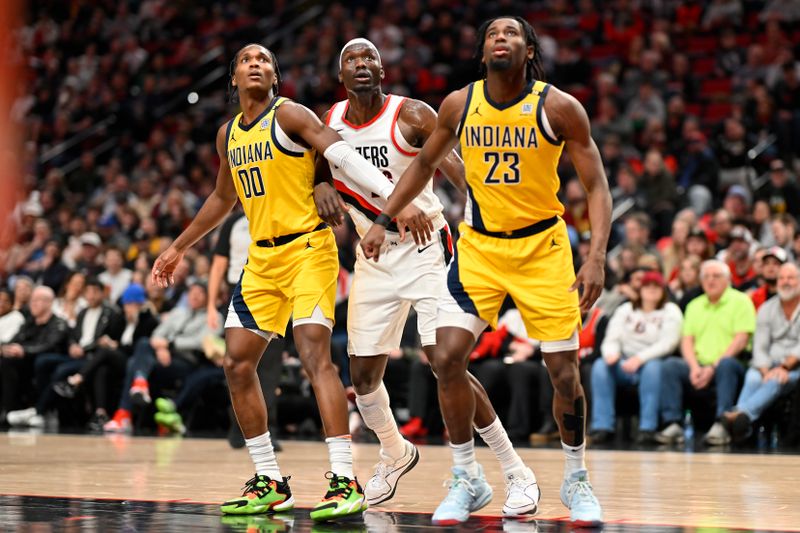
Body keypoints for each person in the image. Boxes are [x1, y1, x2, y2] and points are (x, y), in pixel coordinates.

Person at [150, 43, 426, 521]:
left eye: (264, 61)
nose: (255, 65)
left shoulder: (292, 115)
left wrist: (392, 199)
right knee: (237, 364)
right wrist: (178, 246)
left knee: (315, 354)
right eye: (246, 61)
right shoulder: (228, 136)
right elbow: (221, 199)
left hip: (308, 250)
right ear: (234, 78)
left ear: (275, 77)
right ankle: (269, 480)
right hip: (261, 260)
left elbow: (340, 154)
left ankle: (345, 479)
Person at [360, 17, 611, 526]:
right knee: (446, 358)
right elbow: (423, 165)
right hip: (480, 250)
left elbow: (598, 187)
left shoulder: (558, 106)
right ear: (482, 52)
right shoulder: (458, 104)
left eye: (512, 33)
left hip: (543, 249)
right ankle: (466, 477)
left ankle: (576, 477)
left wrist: (597, 255)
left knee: (564, 374)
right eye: (493, 33)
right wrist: (384, 218)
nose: (501, 38)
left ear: (529, 50)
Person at [313, 38, 539, 516]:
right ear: (341, 75)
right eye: (352, 59)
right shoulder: (328, 122)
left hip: (427, 249)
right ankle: (395, 452)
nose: (362, 64)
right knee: (364, 374)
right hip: (372, 255)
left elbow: (456, 169)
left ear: (381, 69)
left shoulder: (412, 114)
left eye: (370, 56)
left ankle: (515, 470)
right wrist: (317, 186)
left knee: (445, 362)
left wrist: (491, 217)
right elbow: (315, 165)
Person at [655, 260, 756, 446]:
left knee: (726, 365)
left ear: (728, 279)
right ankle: (673, 423)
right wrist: (694, 367)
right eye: (706, 277)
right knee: (670, 366)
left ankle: (722, 423)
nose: (711, 281)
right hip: (699, 365)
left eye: (716, 276)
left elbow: (741, 340)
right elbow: (686, 340)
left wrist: (712, 367)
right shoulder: (694, 305)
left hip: (730, 363)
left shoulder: (741, 301)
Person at [207, 209, 283, 450]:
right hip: (237, 290)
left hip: (274, 290)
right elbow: (219, 263)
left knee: (270, 366)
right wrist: (210, 304)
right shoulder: (232, 222)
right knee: (237, 363)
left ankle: (270, 429)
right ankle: (238, 427)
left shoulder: (276, 212)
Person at [589, 271, 682, 444]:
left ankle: (647, 428)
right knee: (600, 366)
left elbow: (668, 343)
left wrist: (640, 359)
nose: (652, 290)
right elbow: (611, 338)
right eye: (647, 286)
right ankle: (602, 427)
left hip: (651, 362)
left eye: (656, 286)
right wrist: (612, 354)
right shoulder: (625, 310)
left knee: (653, 368)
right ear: (640, 290)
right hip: (624, 363)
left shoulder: (670, 311)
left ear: (663, 290)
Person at [720, 262, 800, 443]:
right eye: (782, 278)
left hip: (795, 367)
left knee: (776, 380)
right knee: (753, 377)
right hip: (768, 364)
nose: (785, 282)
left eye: (791, 278)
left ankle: (739, 415)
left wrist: (784, 366)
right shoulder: (766, 308)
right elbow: (760, 346)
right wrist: (765, 370)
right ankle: (743, 422)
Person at [1, 286, 70, 425]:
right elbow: (16, 339)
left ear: (49, 302)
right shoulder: (30, 322)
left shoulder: (59, 323)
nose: (32, 304)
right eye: (32, 300)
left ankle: (34, 410)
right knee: (6, 361)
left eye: (37, 300)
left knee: (41, 361)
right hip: (28, 361)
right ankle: (8, 410)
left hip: (50, 362)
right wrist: (7, 348)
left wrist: (24, 351)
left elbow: (49, 345)